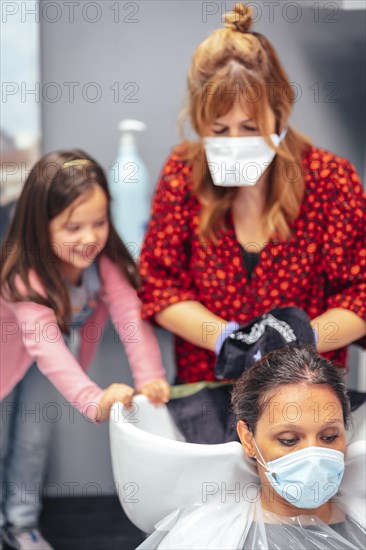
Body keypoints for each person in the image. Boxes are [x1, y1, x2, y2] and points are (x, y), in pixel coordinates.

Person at [138, 3, 366, 442]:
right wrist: (227, 339)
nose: (235, 143)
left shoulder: (330, 180)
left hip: (309, 400)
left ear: (279, 114)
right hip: (211, 394)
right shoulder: (183, 173)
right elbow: (160, 285)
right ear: (199, 123)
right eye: (219, 131)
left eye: (249, 126)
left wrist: (298, 339)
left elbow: (360, 295)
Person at [0, 150, 169, 549]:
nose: (90, 238)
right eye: (73, 227)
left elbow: (130, 316)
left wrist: (150, 380)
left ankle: (21, 523)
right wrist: (94, 399)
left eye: (99, 222)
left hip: (46, 366)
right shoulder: (23, 277)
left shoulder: (102, 261)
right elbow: (45, 344)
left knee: (33, 440)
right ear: (41, 227)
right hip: (6, 364)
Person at [138, 346, 366, 549]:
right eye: (288, 440)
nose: (312, 455)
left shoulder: (361, 525)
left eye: (329, 437)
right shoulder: (205, 539)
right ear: (248, 439)